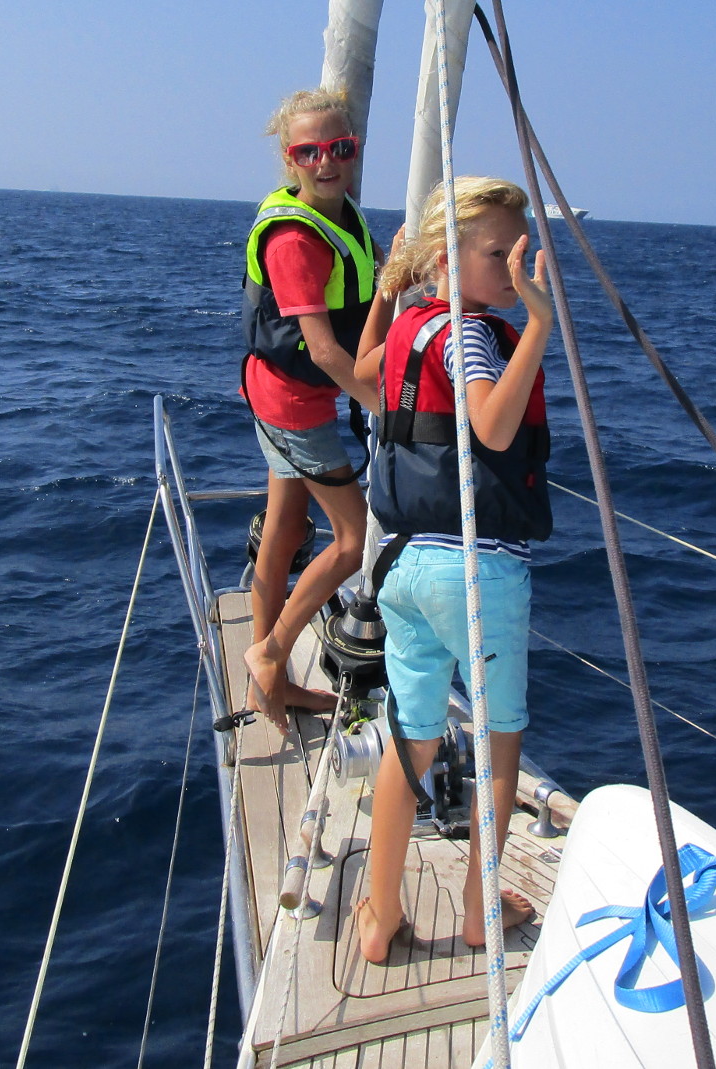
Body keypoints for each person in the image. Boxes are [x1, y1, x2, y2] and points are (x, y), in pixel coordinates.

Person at [352, 177, 554, 963]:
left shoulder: (414, 325)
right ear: (450, 257)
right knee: (501, 744)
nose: (515, 266)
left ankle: (379, 915)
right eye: (500, 253)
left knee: (412, 738)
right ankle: (478, 910)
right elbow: (494, 427)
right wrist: (537, 323)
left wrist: (388, 286)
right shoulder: (471, 334)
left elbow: (367, 372)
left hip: (402, 565)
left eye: (521, 251)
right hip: (477, 573)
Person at [240, 88, 397, 734]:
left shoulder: (342, 214)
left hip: (272, 391)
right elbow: (329, 350)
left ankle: (266, 689)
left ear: (354, 151)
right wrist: (384, 408)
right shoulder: (296, 242)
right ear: (289, 159)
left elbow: (370, 281)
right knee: (354, 539)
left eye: (340, 147)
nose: (326, 161)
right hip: (295, 403)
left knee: (284, 526)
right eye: (310, 151)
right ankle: (270, 652)